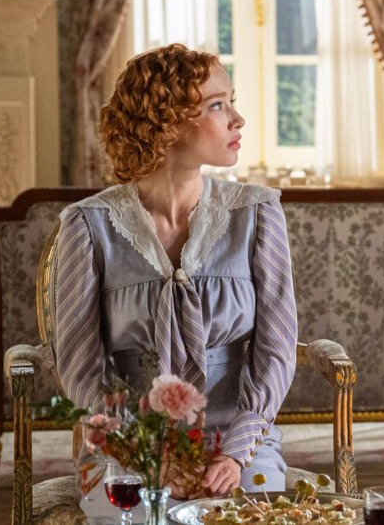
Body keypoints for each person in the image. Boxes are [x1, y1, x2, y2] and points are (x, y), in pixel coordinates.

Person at [54, 44, 298, 509]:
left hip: (236, 440)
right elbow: (81, 364)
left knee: (247, 514)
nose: (237, 119)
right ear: (165, 124)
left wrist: (235, 453)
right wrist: (143, 452)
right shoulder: (87, 226)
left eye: (232, 100)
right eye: (217, 105)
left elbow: (277, 349)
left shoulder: (258, 213)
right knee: (136, 514)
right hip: (130, 443)